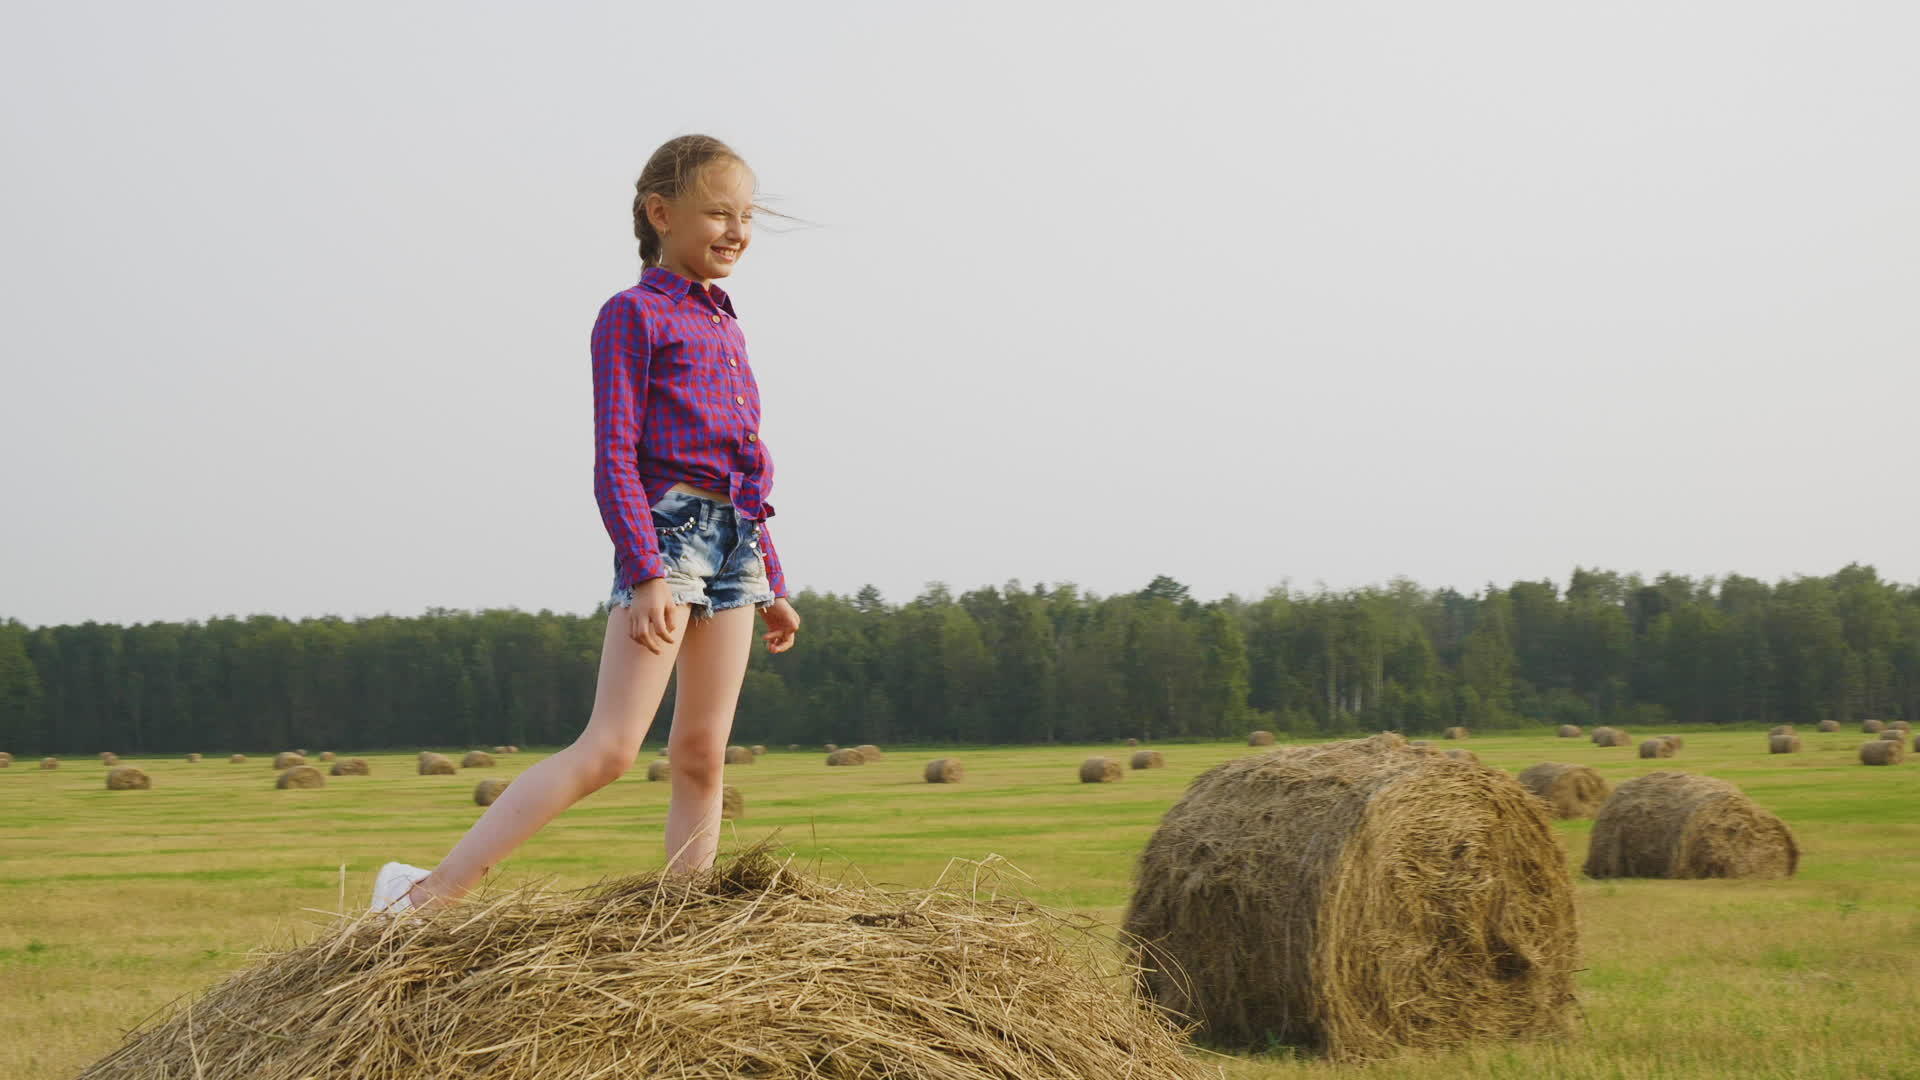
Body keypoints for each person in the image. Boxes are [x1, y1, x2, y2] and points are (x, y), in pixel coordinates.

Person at [371, 134, 802, 915]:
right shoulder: (631, 316)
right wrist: (644, 571)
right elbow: (614, 457)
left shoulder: (727, 327)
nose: (737, 230)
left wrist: (770, 577)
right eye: (718, 212)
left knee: (703, 754)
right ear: (660, 213)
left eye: (747, 216)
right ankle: (427, 896)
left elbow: (743, 463)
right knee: (610, 750)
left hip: (734, 542)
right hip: (666, 536)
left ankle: (686, 923)